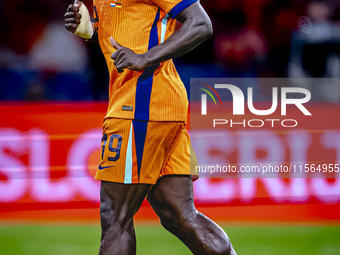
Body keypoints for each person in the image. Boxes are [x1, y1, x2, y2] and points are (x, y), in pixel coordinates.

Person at [64, 0, 237, 254]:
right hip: (158, 104)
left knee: (115, 218)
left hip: (139, 105)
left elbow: (200, 24)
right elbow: (131, 36)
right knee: (179, 214)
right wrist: (91, 33)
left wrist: (145, 58)